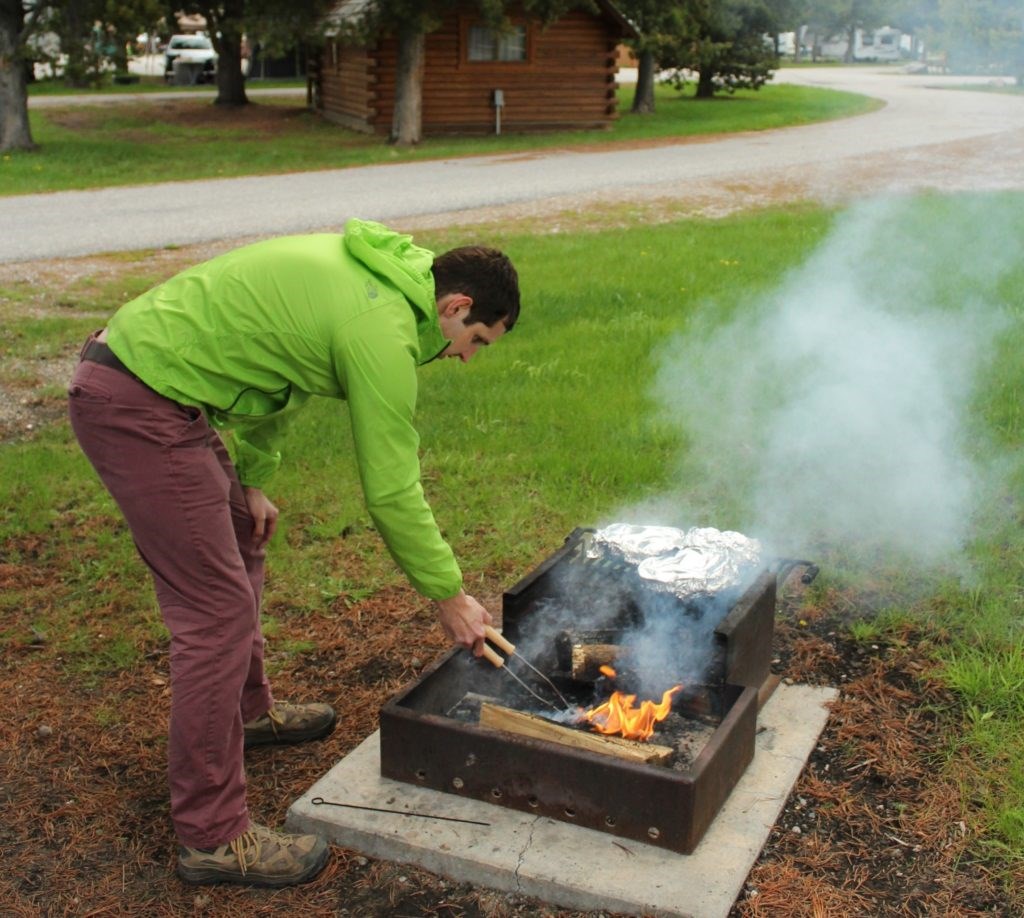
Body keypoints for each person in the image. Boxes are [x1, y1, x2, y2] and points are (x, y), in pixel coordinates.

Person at [67, 219, 520, 888]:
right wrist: (450, 597)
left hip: (160, 389)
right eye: (475, 339)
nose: (467, 355)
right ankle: (213, 837)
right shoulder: (382, 329)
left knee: (242, 539)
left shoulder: (383, 278)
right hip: (139, 404)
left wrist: (251, 475)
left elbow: (288, 364)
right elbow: (392, 491)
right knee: (213, 615)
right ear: (455, 307)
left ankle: (248, 713)